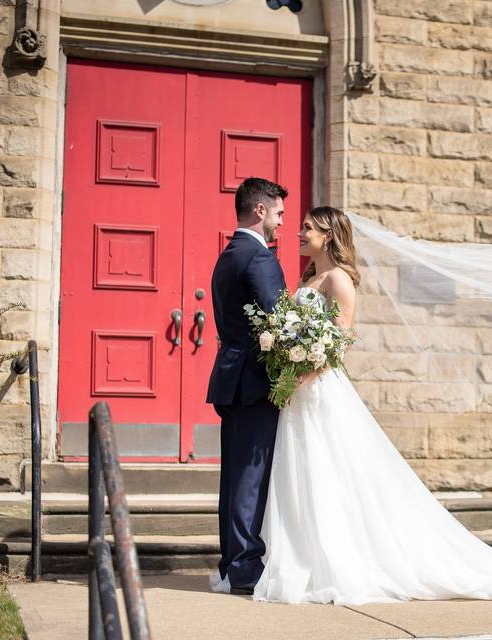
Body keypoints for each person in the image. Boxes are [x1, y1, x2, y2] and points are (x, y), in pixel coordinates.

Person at [242, 206, 492, 605]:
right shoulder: (309, 277)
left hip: (319, 388)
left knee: (328, 471)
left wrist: (303, 373)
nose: (299, 232)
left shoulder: (340, 280)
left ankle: (333, 561)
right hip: (300, 392)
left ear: (328, 235)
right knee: (305, 471)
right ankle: (303, 555)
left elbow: (339, 340)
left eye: (307, 228)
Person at [206, 177, 288, 595]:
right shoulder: (258, 258)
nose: (281, 222)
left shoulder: (228, 254)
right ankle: (243, 567)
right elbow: (283, 323)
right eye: (278, 213)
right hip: (255, 383)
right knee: (249, 479)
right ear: (259, 210)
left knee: (236, 477)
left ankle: (231, 563)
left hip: (233, 380)